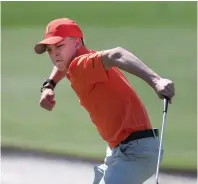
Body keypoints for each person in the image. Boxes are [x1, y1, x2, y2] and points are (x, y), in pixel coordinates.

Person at [34, 18, 175, 184]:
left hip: (136, 152)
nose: (54, 54)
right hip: (123, 149)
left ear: (77, 42)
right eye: (50, 50)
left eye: (59, 46)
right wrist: (49, 85)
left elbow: (117, 54)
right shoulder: (82, 59)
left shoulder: (79, 66)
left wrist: (156, 80)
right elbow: (61, 63)